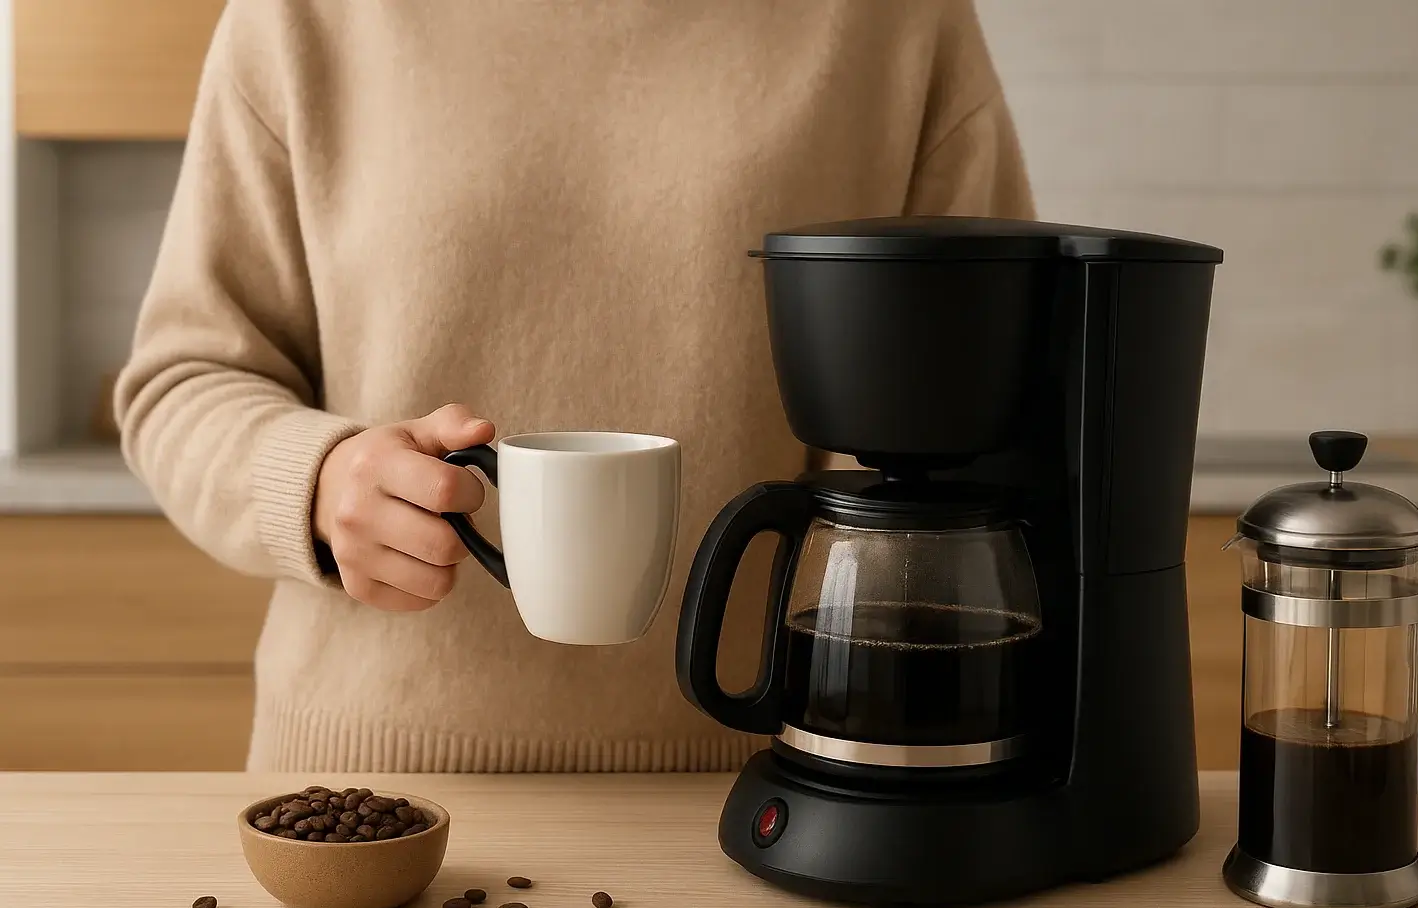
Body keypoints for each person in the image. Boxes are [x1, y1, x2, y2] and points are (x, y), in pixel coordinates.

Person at [116, 0, 1034, 772]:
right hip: (373, 793)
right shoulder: (301, 15)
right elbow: (183, 379)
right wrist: (317, 479)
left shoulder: (893, 21)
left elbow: (997, 387)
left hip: (770, 775)